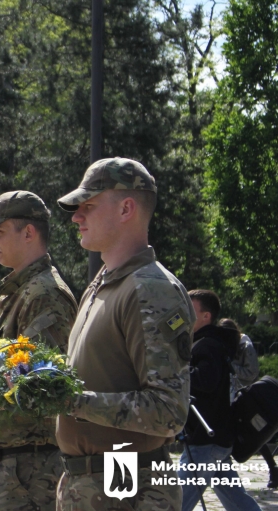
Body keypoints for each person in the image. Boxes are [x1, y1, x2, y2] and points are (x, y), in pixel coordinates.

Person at [54, 157, 195, 511]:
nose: (76, 216)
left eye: (88, 206)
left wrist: (70, 400)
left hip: (126, 483)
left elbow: (168, 411)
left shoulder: (151, 289)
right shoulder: (104, 283)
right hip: (89, 482)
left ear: (126, 209)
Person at [0, 190, 77, 511]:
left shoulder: (45, 294)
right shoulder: (18, 292)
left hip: (29, 469)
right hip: (7, 468)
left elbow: (37, 386)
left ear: (28, 232)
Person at [178, 290, 261, 511]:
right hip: (216, 437)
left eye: (190, 309)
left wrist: (176, 371)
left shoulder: (208, 345)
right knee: (237, 501)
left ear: (206, 316)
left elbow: (206, 380)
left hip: (206, 440)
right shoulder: (213, 343)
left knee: (175, 503)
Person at [220, 317, 278, 489]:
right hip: (229, 394)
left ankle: (272, 468)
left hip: (247, 397)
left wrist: (229, 367)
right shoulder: (222, 344)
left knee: (251, 433)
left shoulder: (245, 343)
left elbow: (251, 372)